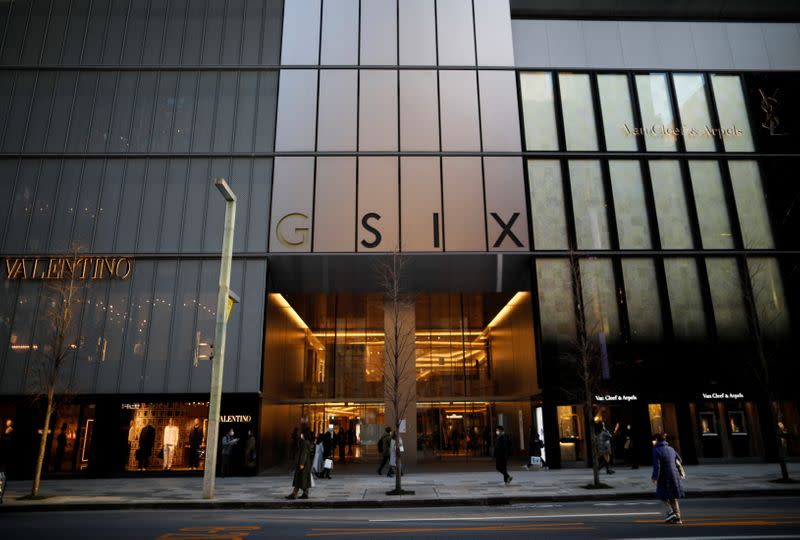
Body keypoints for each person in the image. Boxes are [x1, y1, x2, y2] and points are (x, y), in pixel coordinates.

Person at [651, 432, 685, 524]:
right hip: (674, 475)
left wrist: (654, 477)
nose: (653, 441)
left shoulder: (656, 450)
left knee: (662, 495)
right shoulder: (671, 448)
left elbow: (657, 466)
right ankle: (678, 518)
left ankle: (670, 512)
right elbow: (679, 460)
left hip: (664, 476)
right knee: (673, 497)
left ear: (657, 440)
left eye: (654, 440)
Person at [286, 430, 313, 500]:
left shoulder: (304, 443)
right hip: (306, 464)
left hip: (303, 464)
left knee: (299, 478)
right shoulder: (307, 442)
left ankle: (294, 494)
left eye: (302, 434)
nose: (301, 435)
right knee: (303, 479)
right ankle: (305, 493)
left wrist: (301, 463)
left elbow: (304, 454)